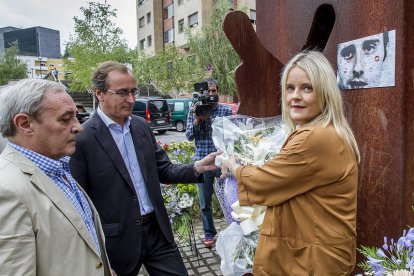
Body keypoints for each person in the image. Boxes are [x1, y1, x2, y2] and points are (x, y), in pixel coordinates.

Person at [69, 61, 219, 276]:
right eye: (122, 92)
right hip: (116, 242)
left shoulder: (141, 126)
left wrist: (197, 167)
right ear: (99, 93)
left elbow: (164, 171)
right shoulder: (82, 138)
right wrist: (94, 256)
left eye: (133, 91)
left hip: (157, 232)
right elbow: (79, 203)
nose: (131, 99)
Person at [222, 51, 360, 275]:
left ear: (325, 92)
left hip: (311, 261)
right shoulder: (326, 132)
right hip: (319, 255)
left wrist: (233, 167)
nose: (295, 96)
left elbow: (265, 182)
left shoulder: (313, 138)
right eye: (290, 88)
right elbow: (287, 177)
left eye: (307, 88)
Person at [0, 79, 113, 275]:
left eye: (76, 117)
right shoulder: (8, 190)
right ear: (25, 124)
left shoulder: (56, 167)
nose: (79, 127)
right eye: (65, 119)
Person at [186, 78, 232, 248]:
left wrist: (212, 119)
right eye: (208, 91)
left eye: (214, 91)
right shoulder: (194, 110)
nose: (211, 94)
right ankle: (209, 233)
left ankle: (233, 230)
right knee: (205, 202)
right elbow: (189, 136)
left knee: (229, 199)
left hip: (222, 163)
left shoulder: (225, 110)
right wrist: (198, 119)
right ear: (203, 93)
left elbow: (231, 135)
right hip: (203, 163)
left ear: (218, 91)